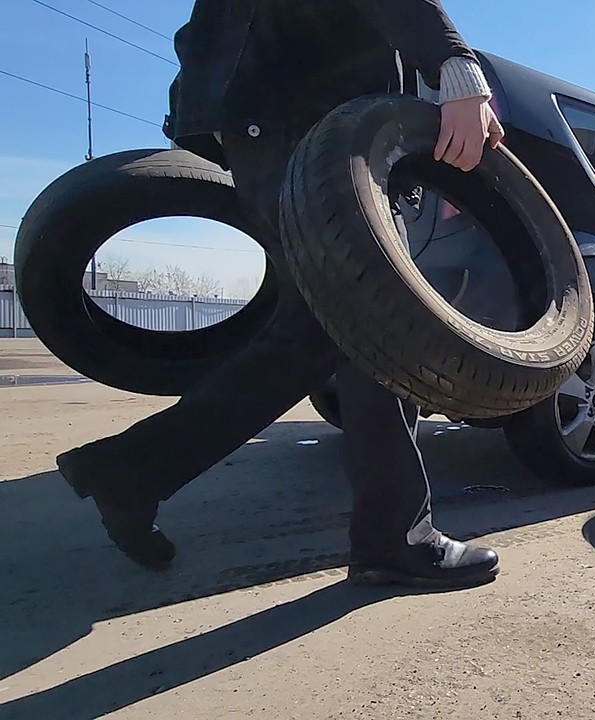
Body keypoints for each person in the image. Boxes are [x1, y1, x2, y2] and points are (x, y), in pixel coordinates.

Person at [56, 0, 507, 590]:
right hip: (314, 129)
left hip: (280, 124)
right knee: (379, 321)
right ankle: (394, 537)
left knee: (324, 332)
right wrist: (456, 67)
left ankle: (131, 472)